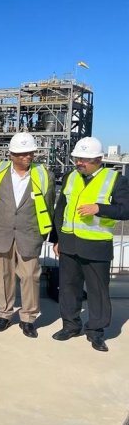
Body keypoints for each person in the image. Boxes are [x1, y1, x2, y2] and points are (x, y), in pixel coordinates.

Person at [50, 137, 129, 352]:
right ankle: (70, 325)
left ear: (99, 159)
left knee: (98, 292)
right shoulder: (70, 177)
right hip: (69, 243)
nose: (79, 163)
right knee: (68, 288)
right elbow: (60, 209)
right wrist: (56, 239)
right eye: (77, 159)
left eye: (84, 160)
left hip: (96, 246)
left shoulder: (115, 180)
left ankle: (95, 332)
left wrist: (99, 208)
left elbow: (126, 210)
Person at [0, 132, 55, 338]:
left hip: (29, 233)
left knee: (31, 276)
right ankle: (4, 314)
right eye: (22, 154)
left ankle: (28, 318)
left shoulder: (43, 174)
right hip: (1, 232)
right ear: (11, 155)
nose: (28, 157)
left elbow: (49, 206)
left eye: (30, 153)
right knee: (3, 275)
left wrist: (41, 233)